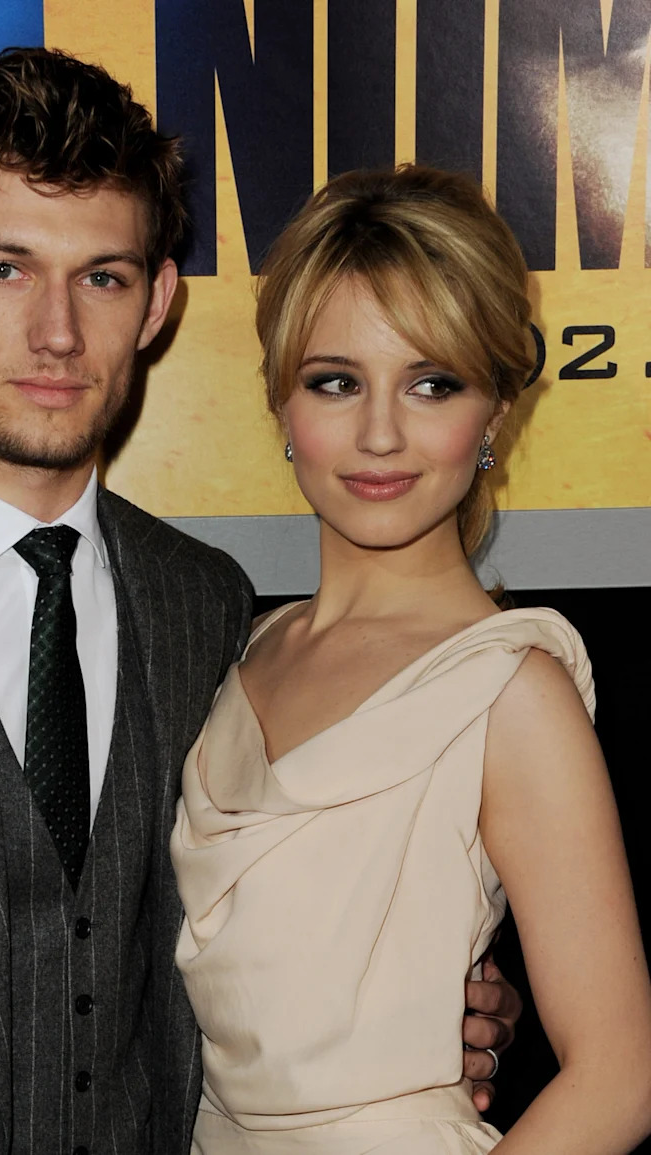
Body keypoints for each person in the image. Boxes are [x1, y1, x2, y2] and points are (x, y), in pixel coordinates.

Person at [0, 51, 516, 1154]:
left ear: (159, 301)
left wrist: (421, 1003)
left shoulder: (203, 602)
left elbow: (258, 932)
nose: (58, 332)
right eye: (3, 268)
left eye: (104, 277)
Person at [171, 165, 651, 1152]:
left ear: (496, 413)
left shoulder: (511, 690)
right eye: (336, 381)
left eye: (432, 384)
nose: (381, 433)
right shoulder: (239, 653)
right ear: (282, 405)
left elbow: (619, 1079)